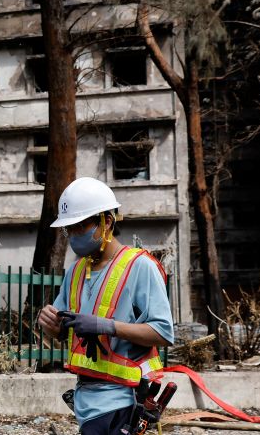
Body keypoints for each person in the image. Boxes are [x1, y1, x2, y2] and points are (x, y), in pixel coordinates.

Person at [37, 177, 174, 435]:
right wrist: (51, 325)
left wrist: (107, 326)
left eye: (80, 226)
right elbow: (63, 333)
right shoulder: (76, 271)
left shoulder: (140, 267)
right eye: (69, 229)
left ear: (107, 222)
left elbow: (164, 333)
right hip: (85, 399)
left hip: (124, 400)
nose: (74, 236)